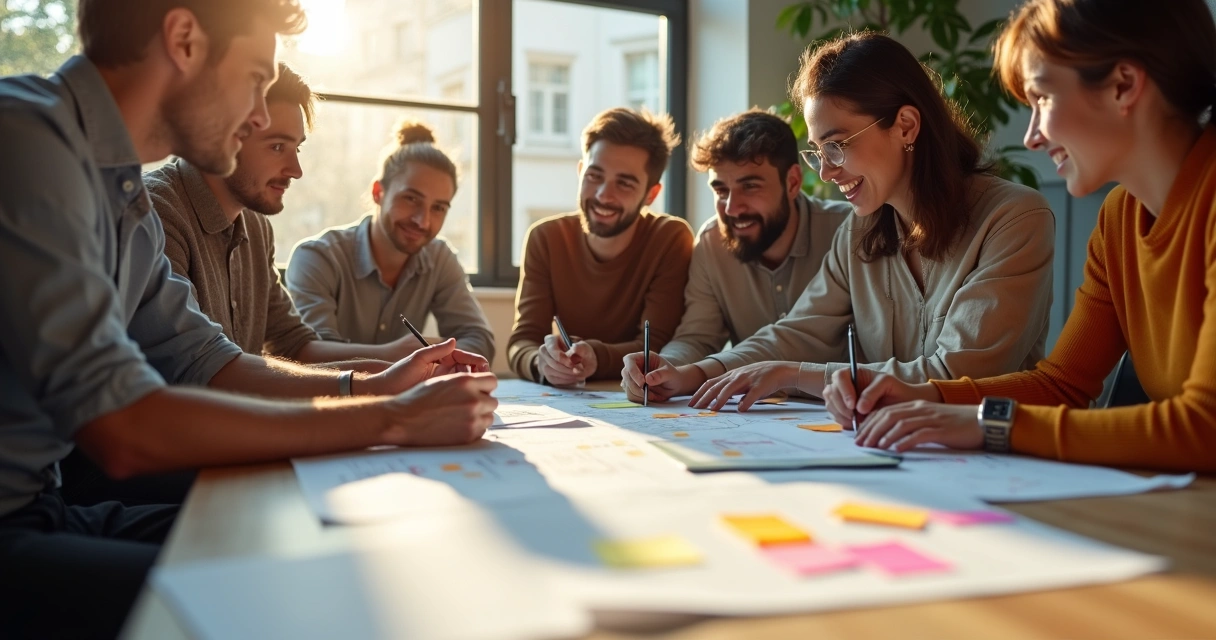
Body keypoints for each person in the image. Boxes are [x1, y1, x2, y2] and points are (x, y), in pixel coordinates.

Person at [0, 2, 495, 637]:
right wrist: (392, 419)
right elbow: (121, 426)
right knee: (286, 601)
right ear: (183, 40)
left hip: (45, 505)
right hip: (17, 522)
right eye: (257, 77)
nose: (260, 113)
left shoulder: (119, 195)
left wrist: (374, 386)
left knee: (319, 543)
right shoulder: (27, 141)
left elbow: (213, 362)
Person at [824, 0, 1216, 472]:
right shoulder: (1120, 218)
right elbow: (1062, 386)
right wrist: (927, 395)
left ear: (1123, 86)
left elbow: (1205, 426)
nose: (1031, 136)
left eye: (1043, 100)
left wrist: (991, 424)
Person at [625, 32, 1056, 410]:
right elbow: (795, 333)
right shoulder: (861, 230)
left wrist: (795, 374)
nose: (826, 173)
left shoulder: (1013, 218)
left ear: (905, 126)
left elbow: (957, 373)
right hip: (902, 450)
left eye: (836, 146)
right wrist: (692, 374)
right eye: (817, 152)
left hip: (1001, 459)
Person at [147, 63, 434, 370]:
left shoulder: (255, 225)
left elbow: (293, 343)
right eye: (277, 146)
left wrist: (397, 357)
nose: (295, 171)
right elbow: (200, 367)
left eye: (296, 148)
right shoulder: (156, 213)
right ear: (224, 136)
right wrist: (369, 380)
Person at [620, 109, 850, 391]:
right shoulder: (711, 243)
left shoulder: (848, 231)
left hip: (846, 409)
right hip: (761, 417)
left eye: (750, 187)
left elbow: (795, 337)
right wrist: (664, 367)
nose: (731, 208)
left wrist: (693, 373)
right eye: (720, 191)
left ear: (792, 182)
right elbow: (697, 337)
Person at [507, 107, 693, 386]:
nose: (603, 195)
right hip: (570, 402)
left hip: (634, 397)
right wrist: (541, 363)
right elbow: (522, 340)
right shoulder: (545, 238)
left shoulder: (670, 238)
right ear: (581, 171)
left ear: (651, 194)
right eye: (594, 176)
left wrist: (598, 357)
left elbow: (656, 344)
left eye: (625, 183)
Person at [286, 120, 496, 362]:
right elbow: (313, 353)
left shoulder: (439, 257)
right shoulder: (317, 257)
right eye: (411, 199)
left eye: (438, 208)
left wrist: (434, 358)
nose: (423, 221)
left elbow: (478, 338)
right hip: (332, 397)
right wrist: (395, 357)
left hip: (409, 398)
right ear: (378, 192)